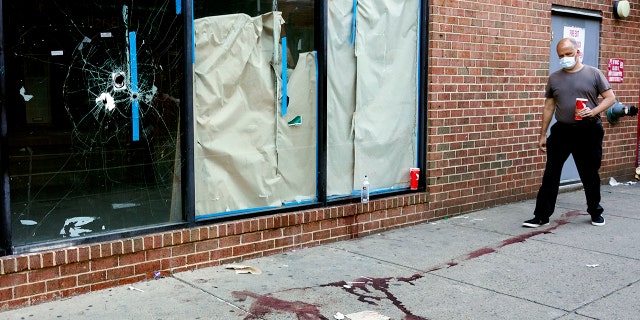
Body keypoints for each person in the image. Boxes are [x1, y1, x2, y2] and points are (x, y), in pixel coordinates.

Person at [523, 37, 615, 228]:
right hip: (562, 131)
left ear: (577, 52)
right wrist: (542, 134)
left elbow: (610, 98)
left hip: (588, 130)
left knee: (589, 173)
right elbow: (549, 107)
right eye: (561, 56)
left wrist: (594, 111)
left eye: (568, 54)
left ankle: (595, 211)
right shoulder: (554, 78)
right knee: (551, 174)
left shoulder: (594, 74)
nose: (565, 58)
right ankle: (541, 215)